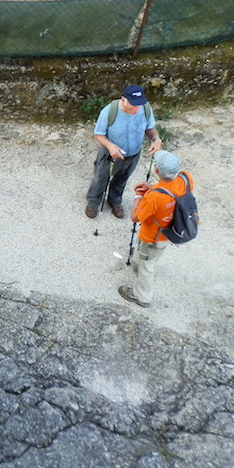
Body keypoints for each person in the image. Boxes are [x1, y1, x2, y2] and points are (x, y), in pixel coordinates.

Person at [119, 150, 193, 308]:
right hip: (171, 231)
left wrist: (139, 197)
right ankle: (142, 265)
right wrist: (154, 188)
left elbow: (135, 217)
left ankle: (142, 297)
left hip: (152, 238)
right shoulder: (185, 178)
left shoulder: (154, 197)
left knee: (146, 264)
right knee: (151, 257)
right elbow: (173, 192)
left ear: (156, 170)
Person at [85, 84, 161, 219]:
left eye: (138, 105)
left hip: (133, 154)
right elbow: (98, 135)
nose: (136, 108)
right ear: (123, 99)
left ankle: (115, 201)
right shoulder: (109, 111)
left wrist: (156, 139)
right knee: (101, 178)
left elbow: (150, 128)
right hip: (110, 155)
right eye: (133, 105)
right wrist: (110, 146)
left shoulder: (145, 108)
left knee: (122, 179)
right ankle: (93, 203)